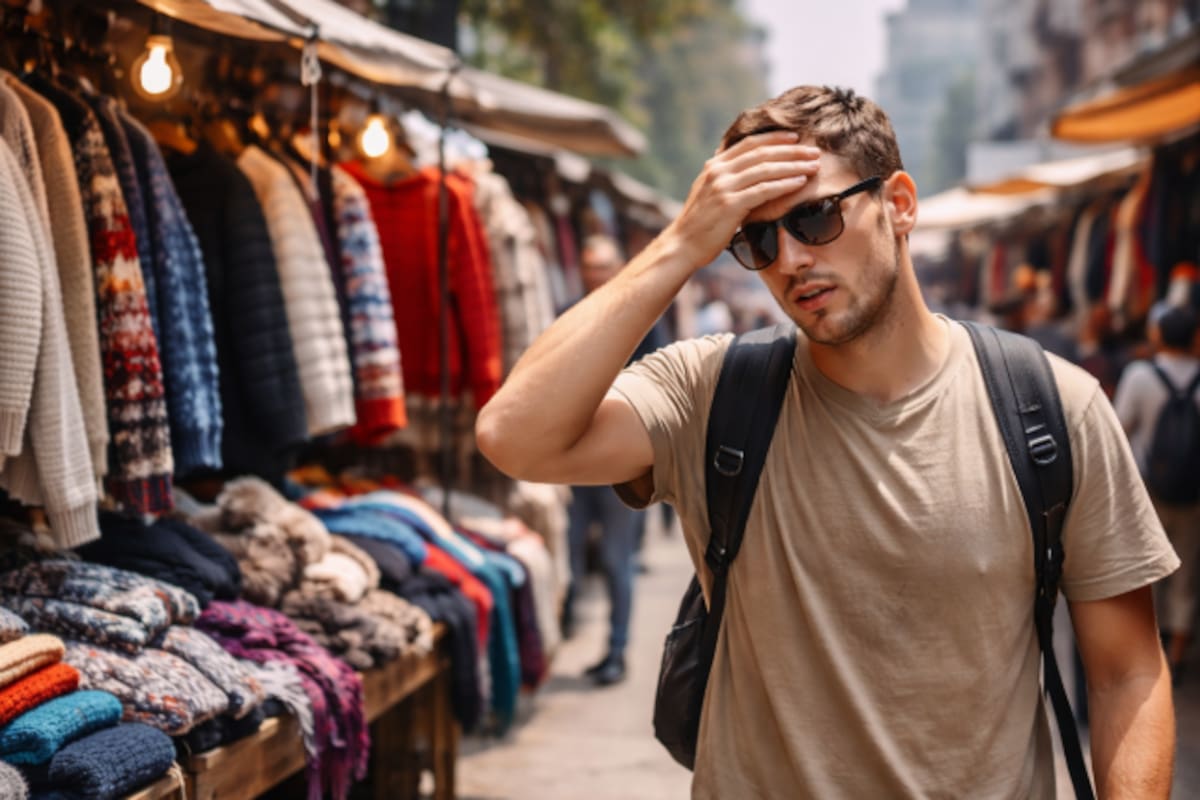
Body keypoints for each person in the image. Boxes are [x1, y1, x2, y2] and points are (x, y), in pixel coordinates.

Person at [476, 86, 1178, 797]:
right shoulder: (713, 392)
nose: (788, 261)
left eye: (814, 217)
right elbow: (513, 436)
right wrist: (683, 242)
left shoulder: (1051, 407)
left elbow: (1127, 673)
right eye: (756, 238)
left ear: (898, 203)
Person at [561, 234, 669, 685]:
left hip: (620, 459)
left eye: (602, 266)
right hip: (573, 459)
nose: (595, 275)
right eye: (588, 267)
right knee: (572, 550)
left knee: (615, 557)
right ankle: (571, 626)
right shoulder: (570, 315)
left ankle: (617, 651)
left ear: (618, 267)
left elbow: (662, 379)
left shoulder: (641, 317)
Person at [1114, 304, 1200, 684]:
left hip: (1146, 486)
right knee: (1187, 572)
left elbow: (1118, 430)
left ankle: (1150, 648)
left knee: (1147, 565)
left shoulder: (1140, 375)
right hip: (1193, 491)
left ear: (1159, 335)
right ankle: (1178, 653)